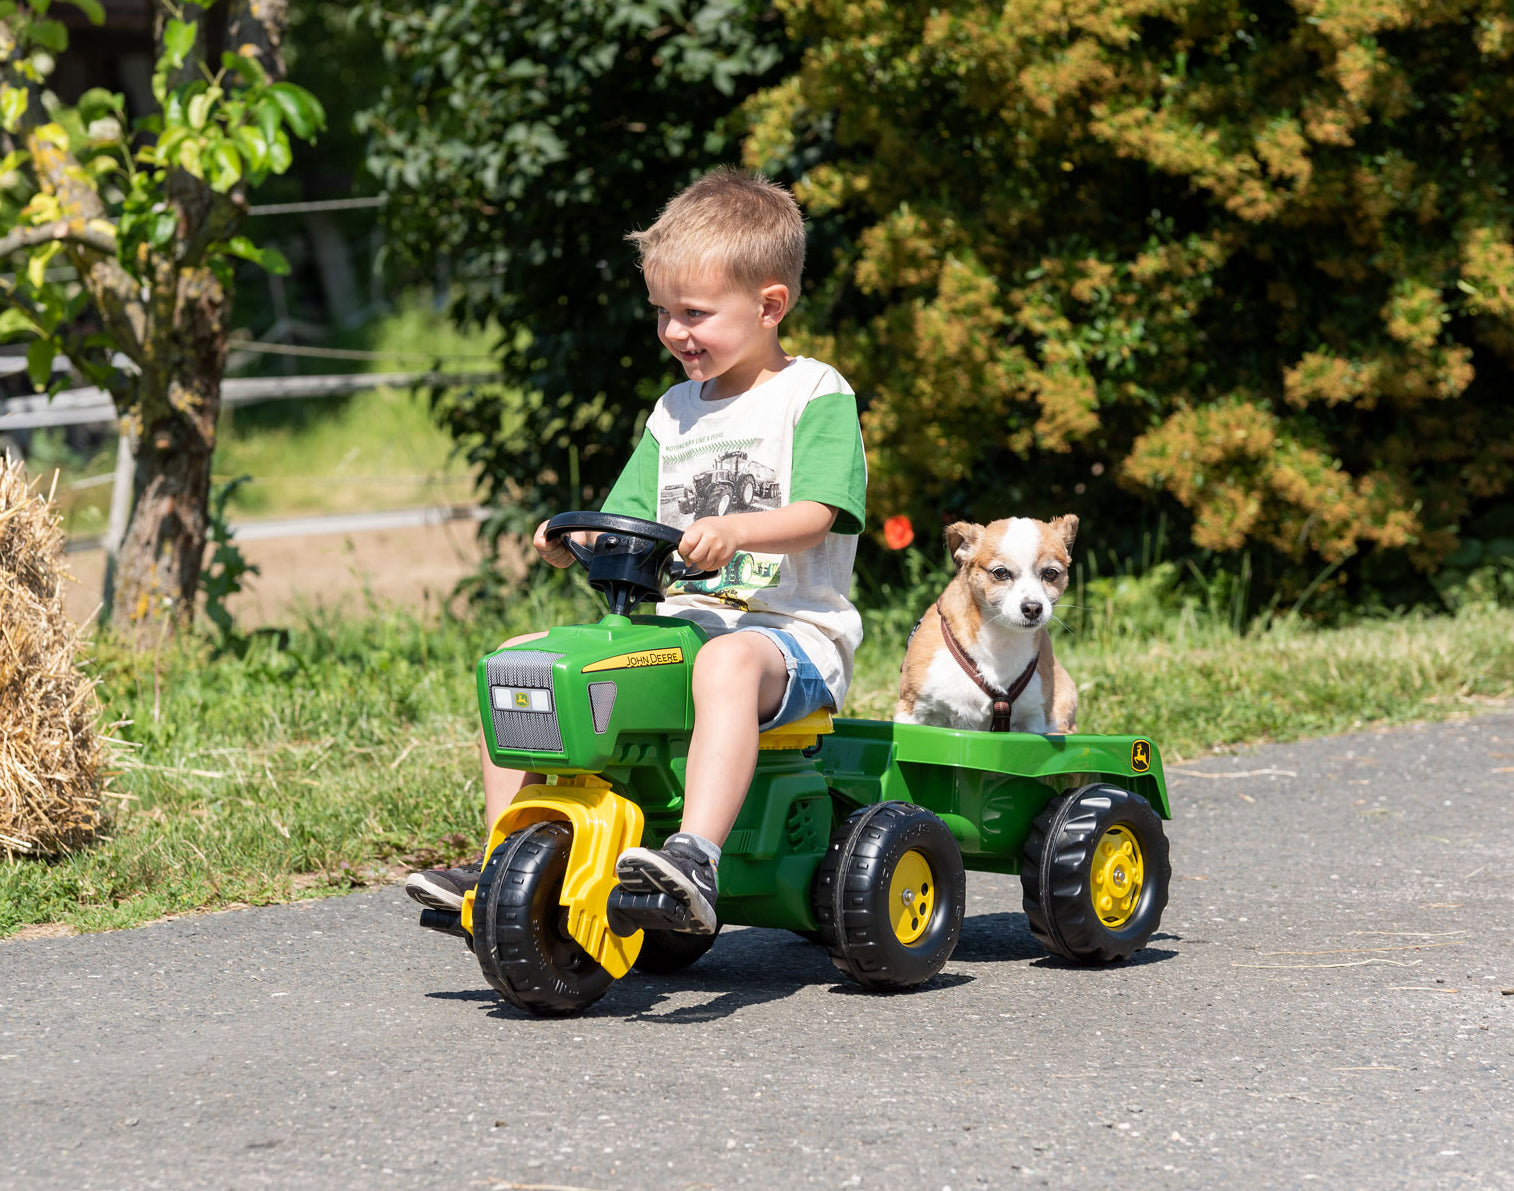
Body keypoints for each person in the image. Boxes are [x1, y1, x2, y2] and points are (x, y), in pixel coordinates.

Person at [405, 166, 867, 934]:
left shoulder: (813, 393)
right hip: (682, 631)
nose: (675, 332)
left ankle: (695, 855)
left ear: (770, 305)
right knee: (527, 655)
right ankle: (510, 853)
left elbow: (822, 512)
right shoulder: (674, 412)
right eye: (662, 313)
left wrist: (737, 531)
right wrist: (571, 536)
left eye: (695, 313)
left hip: (790, 638)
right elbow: (622, 516)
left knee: (727, 661)